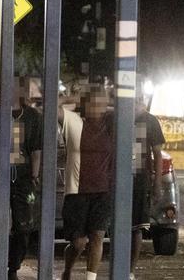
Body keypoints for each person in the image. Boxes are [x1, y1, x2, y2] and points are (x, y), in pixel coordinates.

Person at [0, 77, 43, 280]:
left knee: (24, 227)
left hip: (23, 179)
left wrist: (34, 175)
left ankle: (13, 265)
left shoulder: (32, 116)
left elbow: (36, 150)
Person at [59, 85, 115, 280]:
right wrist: (73, 97)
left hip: (103, 191)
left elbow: (130, 111)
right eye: (93, 101)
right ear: (85, 103)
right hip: (77, 192)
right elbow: (51, 108)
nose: (98, 106)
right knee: (78, 243)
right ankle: (67, 270)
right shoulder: (74, 122)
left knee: (98, 236)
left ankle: (91, 278)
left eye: (102, 102)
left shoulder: (111, 124)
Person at [130, 94, 165, 279]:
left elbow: (158, 154)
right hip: (118, 178)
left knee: (137, 227)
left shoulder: (151, 121)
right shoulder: (119, 117)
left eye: (138, 100)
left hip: (140, 179)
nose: (136, 104)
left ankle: (130, 271)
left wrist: (157, 183)